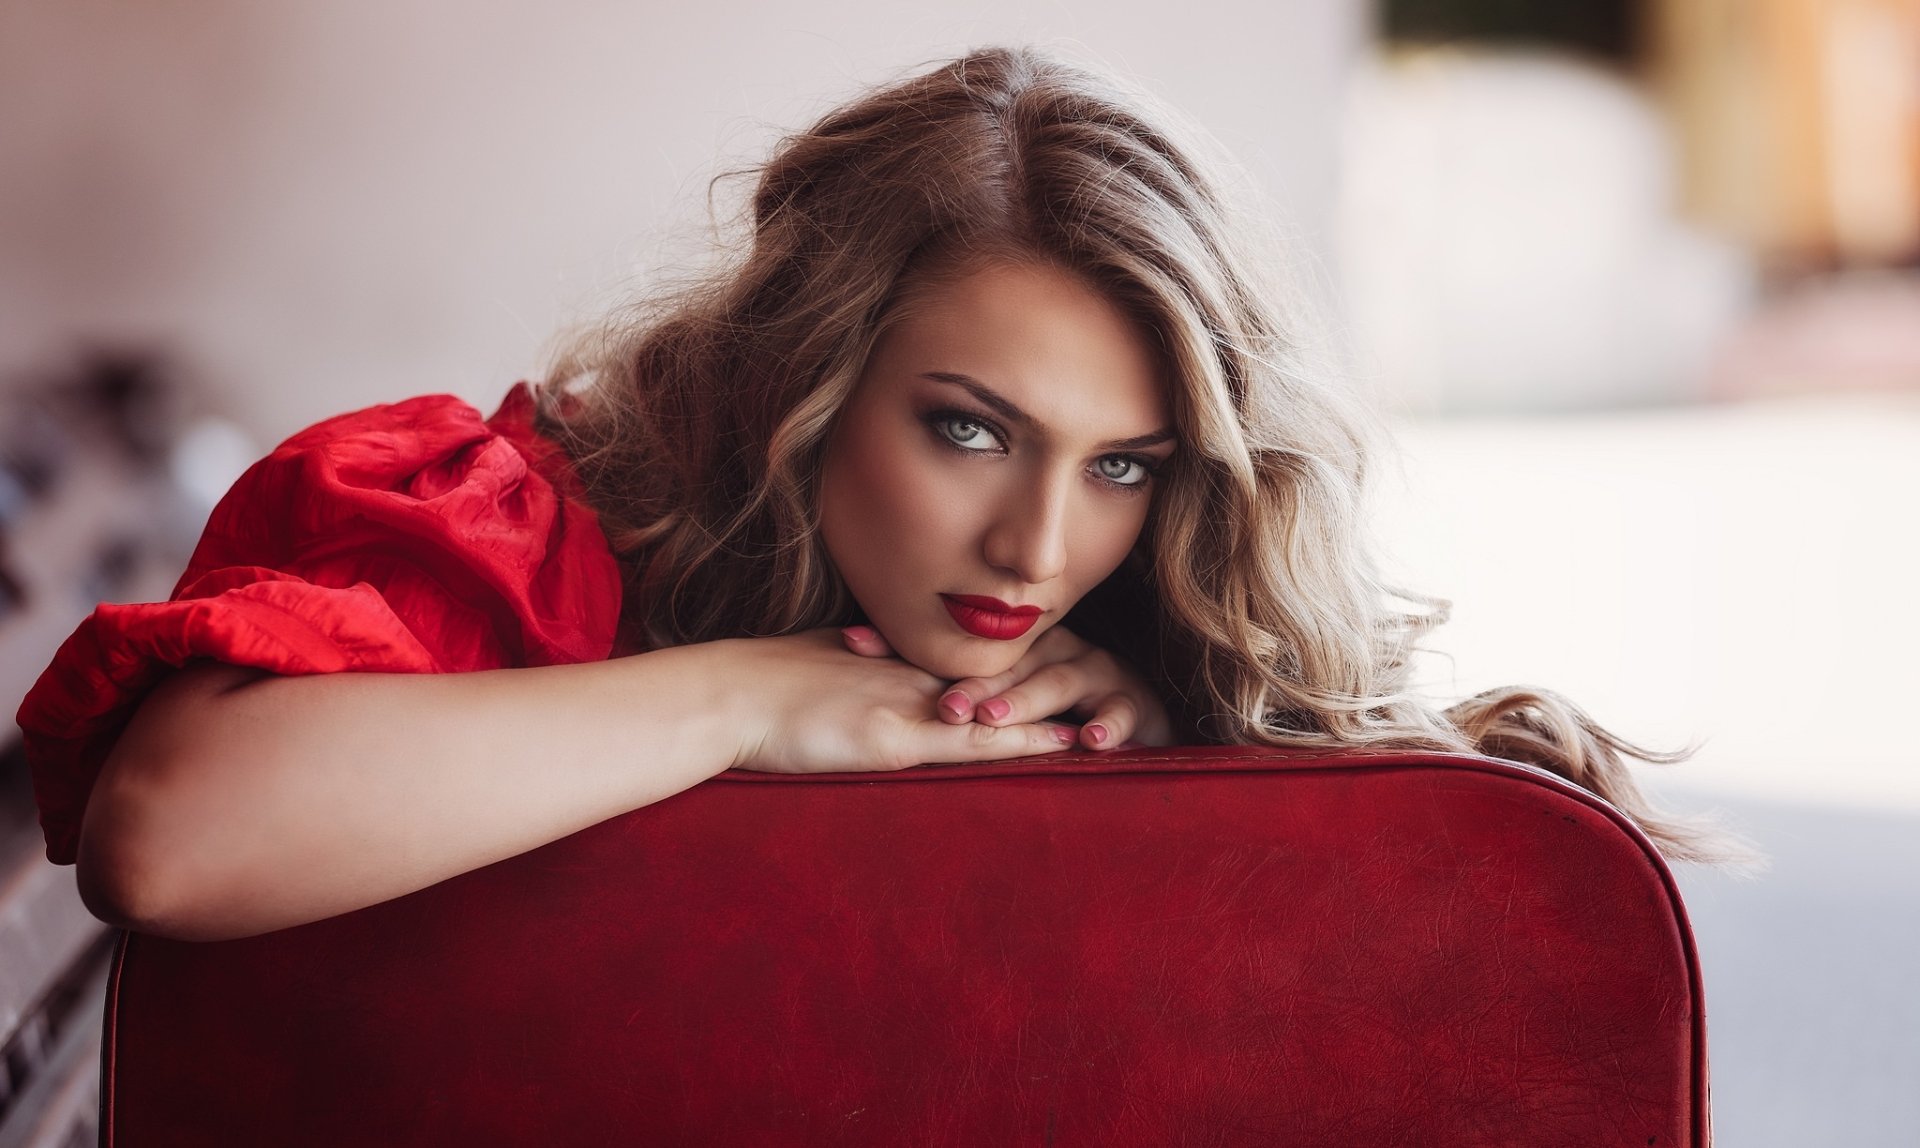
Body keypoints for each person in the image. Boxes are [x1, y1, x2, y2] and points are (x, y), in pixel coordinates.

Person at [16, 45, 1733, 945]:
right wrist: (757, 700)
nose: (1038, 550)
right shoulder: (509, 517)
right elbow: (166, 843)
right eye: (970, 430)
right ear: (806, 372)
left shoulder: (1127, 644)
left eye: (1124, 464)